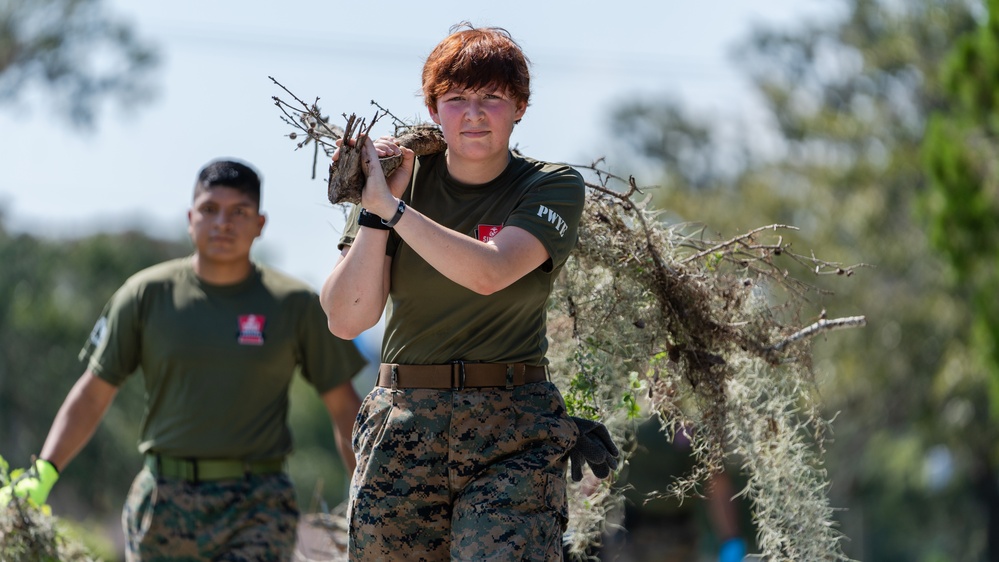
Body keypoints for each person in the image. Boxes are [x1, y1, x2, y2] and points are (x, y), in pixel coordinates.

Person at [320, 22, 617, 562]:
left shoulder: (549, 186)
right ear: (433, 110)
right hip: (403, 423)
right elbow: (347, 317)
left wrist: (395, 211)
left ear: (521, 106)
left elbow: (491, 272)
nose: (474, 114)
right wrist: (374, 205)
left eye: (492, 98)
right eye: (456, 99)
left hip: (512, 434)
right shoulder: (397, 181)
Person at [0, 159, 367, 561]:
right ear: (190, 218)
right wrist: (44, 471)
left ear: (260, 224)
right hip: (163, 502)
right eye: (210, 210)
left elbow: (343, 407)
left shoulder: (294, 304)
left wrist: (364, 494)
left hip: (257, 506)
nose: (222, 223)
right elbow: (92, 394)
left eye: (239, 212)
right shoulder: (144, 296)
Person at [601, 418, 749, 562]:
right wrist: (581, 510)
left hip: (680, 536)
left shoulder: (697, 425)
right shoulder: (628, 420)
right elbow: (601, 470)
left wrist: (730, 539)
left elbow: (717, 483)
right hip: (633, 533)